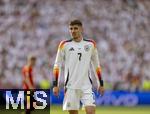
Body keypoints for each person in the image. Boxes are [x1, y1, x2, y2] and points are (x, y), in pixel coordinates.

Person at [53, 19, 104, 114]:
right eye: (71, 29)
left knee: (91, 112)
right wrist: (55, 85)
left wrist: (101, 83)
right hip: (70, 86)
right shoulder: (64, 45)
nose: (73, 31)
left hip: (86, 85)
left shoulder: (90, 44)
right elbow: (57, 65)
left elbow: (96, 65)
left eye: (75, 28)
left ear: (81, 29)